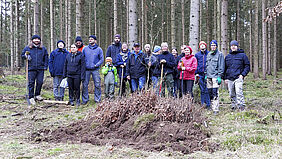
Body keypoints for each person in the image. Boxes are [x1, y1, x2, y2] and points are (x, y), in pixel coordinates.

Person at [21, 35, 49, 105]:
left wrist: (45, 66)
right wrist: (26, 56)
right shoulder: (28, 48)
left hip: (40, 68)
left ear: (40, 40)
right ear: (32, 40)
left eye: (38, 39)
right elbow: (22, 56)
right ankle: (31, 97)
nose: (36, 40)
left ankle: (37, 95)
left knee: (40, 82)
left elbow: (46, 57)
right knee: (31, 83)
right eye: (35, 39)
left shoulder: (43, 49)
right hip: (31, 68)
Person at [224, 40, 250, 111]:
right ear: (230, 47)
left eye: (234, 46)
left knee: (239, 92)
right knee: (231, 94)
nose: (233, 47)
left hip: (238, 77)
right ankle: (233, 106)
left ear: (237, 47)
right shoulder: (227, 57)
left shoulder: (243, 55)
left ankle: (241, 106)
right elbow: (225, 68)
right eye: (232, 46)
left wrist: (243, 75)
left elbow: (247, 66)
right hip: (229, 78)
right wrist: (225, 78)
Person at [82, 35, 104, 104]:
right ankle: (85, 99)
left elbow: (102, 59)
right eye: (89, 39)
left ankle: (97, 99)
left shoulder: (99, 49)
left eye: (92, 39)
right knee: (85, 85)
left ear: (95, 41)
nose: (90, 40)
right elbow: (82, 58)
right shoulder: (85, 49)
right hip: (86, 70)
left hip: (95, 70)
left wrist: (96, 65)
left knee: (97, 84)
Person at [205, 40, 225, 115]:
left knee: (215, 92)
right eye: (212, 45)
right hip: (209, 77)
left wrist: (219, 76)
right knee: (210, 92)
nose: (213, 47)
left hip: (215, 77)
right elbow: (207, 65)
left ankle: (216, 109)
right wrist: (206, 74)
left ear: (216, 46)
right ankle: (212, 106)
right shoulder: (209, 54)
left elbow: (221, 66)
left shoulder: (220, 54)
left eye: (214, 45)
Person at [195, 41, 210, 109]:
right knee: (202, 89)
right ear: (199, 47)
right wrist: (196, 73)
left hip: (207, 74)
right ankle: (202, 104)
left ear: (205, 46)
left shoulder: (209, 54)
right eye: (201, 45)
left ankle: (208, 104)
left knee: (207, 89)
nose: (202, 46)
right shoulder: (197, 55)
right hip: (200, 74)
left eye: (203, 45)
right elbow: (196, 64)